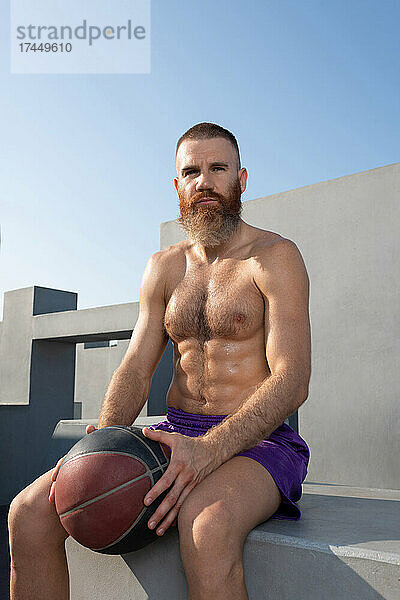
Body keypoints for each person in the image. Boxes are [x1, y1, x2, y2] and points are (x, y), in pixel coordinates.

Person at [8, 122, 311, 600]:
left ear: (241, 179)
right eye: (191, 171)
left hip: (259, 443)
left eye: (218, 169)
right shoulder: (164, 267)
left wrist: (209, 450)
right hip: (175, 433)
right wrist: (103, 443)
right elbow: (136, 365)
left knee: (206, 527)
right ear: (177, 185)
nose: (204, 182)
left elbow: (292, 380)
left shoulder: (274, 258)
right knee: (28, 512)